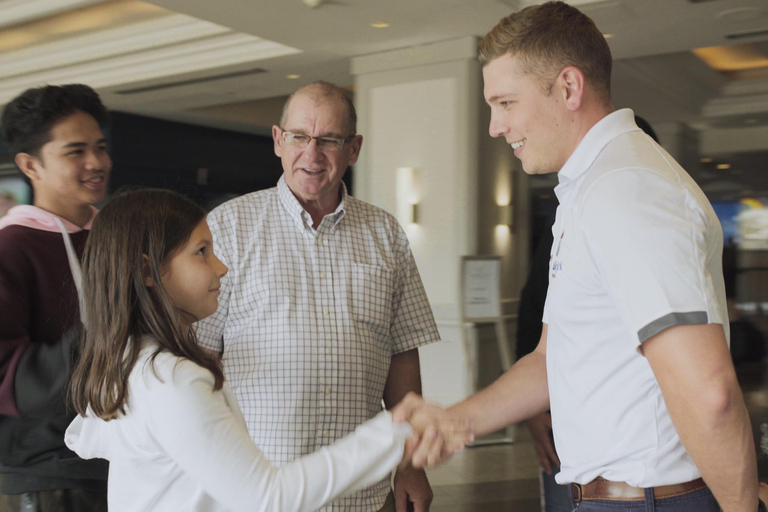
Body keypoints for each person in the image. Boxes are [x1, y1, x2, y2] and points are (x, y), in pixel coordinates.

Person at [443, 2, 766, 511]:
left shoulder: (626, 190)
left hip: (649, 503)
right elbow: (553, 359)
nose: (494, 126)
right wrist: (452, 422)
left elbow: (710, 392)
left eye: (505, 103)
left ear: (569, 88)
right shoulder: (590, 189)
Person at [64, 189, 469, 512]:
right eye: (201, 252)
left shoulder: (131, 361)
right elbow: (268, 498)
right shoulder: (172, 380)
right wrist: (393, 433)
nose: (221, 267)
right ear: (149, 272)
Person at [196, 81, 440, 512]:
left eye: (329, 140)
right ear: (278, 140)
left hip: (363, 491)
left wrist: (410, 460)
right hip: (260, 489)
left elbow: (402, 353)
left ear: (354, 148)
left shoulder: (385, 234)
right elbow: (199, 356)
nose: (312, 154)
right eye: (299, 137)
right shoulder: (228, 229)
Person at [517, 116, 660, 512]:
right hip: (579, 457)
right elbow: (540, 332)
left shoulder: (650, 227)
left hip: (641, 479)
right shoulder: (568, 224)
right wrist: (532, 410)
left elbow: (707, 384)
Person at [0, 84, 111, 511]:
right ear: (30, 165)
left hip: (123, 460)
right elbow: (11, 381)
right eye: (75, 151)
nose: (96, 163)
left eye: (100, 147)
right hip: (48, 473)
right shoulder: (11, 249)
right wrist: (116, 324)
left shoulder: (114, 239)